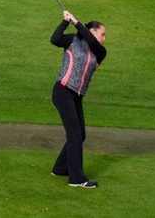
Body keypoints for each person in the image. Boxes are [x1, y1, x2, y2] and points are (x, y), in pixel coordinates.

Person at [49, 10, 107, 188]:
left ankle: (60, 168)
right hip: (63, 91)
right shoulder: (72, 41)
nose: (104, 38)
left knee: (80, 135)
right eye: (102, 34)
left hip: (76, 96)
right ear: (92, 31)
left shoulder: (100, 52)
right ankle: (77, 178)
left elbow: (91, 41)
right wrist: (65, 22)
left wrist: (76, 22)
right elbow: (55, 39)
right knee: (74, 134)